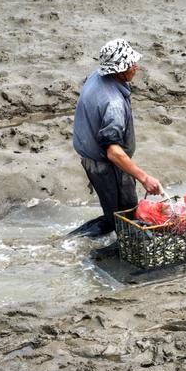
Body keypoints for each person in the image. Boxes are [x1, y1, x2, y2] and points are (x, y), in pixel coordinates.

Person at [72, 38, 163, 236]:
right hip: (106, 166)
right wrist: (144, 178)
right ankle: (75, 242)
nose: (136, 67)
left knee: (114, 214)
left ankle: (74, 240)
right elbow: (113, 152)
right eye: (131, 64)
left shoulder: (97, 76)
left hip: (91, 158)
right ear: (120, 71)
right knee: (125, 218)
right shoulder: (113, 104)